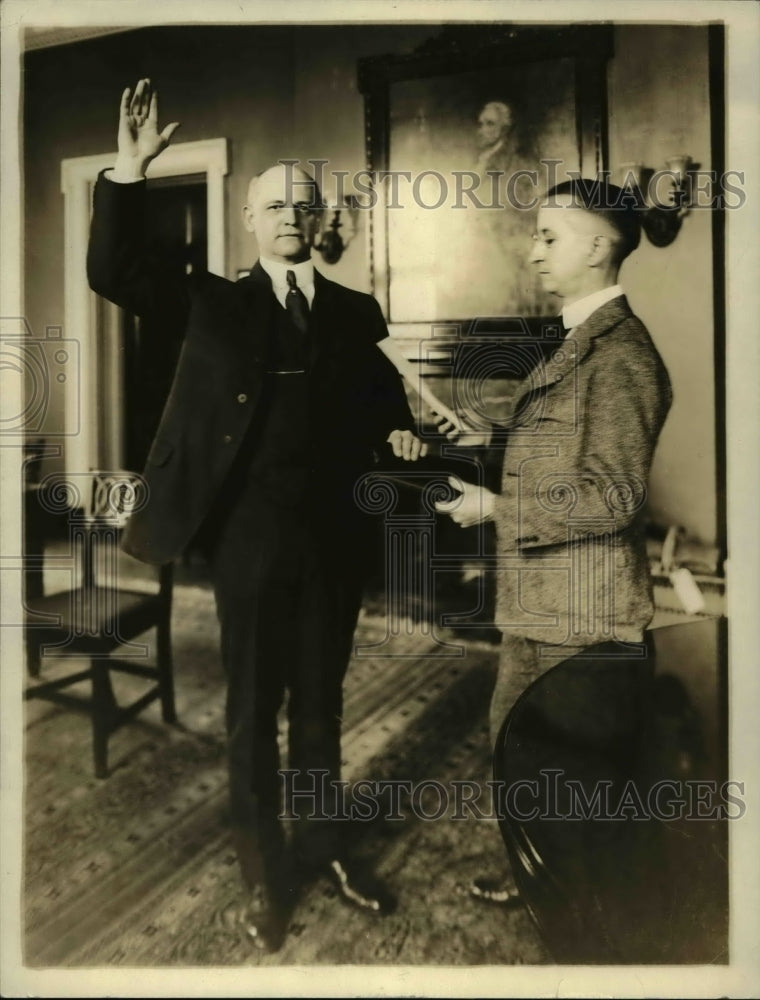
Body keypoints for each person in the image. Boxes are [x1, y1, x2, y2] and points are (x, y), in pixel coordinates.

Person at [87, 79, 427, 952]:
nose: (289, 216)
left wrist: (400, 431)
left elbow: (384, 407)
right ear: (248, 220)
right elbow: (115, 270)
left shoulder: (354, 312)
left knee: (319, 702)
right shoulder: (211, 303)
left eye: (301, 205)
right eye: (273, 204)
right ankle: (262, 865)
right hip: (247, 539)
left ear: (318, 223)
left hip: (334, 542)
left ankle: (322, 844)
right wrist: (128, 171)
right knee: (252, 711)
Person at [435, 178, 672, 902]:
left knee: (574, 784)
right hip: (541, 608)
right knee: (522, 760)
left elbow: (613, 495)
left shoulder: (622, 353)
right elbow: (569, 446)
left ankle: (581, 923)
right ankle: (543, 883)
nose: (533, 251)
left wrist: (499, 507)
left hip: (584, 620)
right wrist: (495, 434)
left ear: (599, 246)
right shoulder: (581, 339)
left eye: (549, 236)